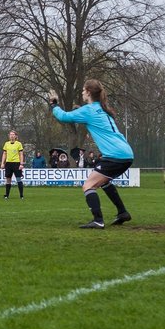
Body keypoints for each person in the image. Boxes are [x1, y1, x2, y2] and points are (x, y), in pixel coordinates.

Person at [48, 80, 134, 229]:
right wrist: (80, 109)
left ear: (88, 92)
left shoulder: (88, 111)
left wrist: (54, 104)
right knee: (104, 182)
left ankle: (98, 220)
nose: (82, 92)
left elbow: (63, 117)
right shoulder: (102, 108)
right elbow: (94, 118)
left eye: (83, 90)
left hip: (115, 155)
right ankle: (122, 213)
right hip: (126, 154)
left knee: (88, 185)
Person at [0, 129, 25, 200]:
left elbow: (21, 154)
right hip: (8, 164)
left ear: (16, 136)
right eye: (10, 135)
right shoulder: (6, 144)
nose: (12, 136)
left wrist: (21, 164)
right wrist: (2, 163)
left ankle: (21, 195)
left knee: (18, 179)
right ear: (9, 136)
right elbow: (4, 154)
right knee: (8, 179)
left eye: (13, 135)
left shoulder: (19, 144)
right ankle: (7, 195)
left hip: (16, 163)